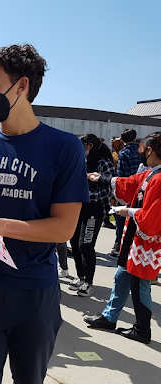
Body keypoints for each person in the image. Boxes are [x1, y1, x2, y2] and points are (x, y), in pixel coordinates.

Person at [0, 44, 89, 384]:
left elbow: (64, 229)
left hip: (34, 291)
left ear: (22, 86)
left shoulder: (63, 147)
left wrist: (2, 225)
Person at [84, 132, 161, 344]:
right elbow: (129, 183)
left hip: (146, 241)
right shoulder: (151, 174)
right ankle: (110, 318)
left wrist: (129, 212)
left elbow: (152, 217)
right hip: (136, 238)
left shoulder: (159, 178)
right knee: (122, 277)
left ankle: (142, 330)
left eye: (144, 149)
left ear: (150, 149)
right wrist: (101, 178)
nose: (141, 153)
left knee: (140, 284)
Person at [68, 133, 116, 297]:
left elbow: (109, 191)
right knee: (74, 242)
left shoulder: (104, 163)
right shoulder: (81, 161)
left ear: (91, 146)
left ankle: (89, 282)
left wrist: (84, 195)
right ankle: (80, 277)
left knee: (85, 245)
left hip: (94, 209)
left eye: (84, 146)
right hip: (78, 208)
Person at [110, 129, 141, 257]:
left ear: (122, 139)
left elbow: (121, 176)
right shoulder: (141, 151)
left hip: (128, 189)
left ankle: (120, 245)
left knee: (121, 219)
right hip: (141, 188)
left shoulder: (124, 153)